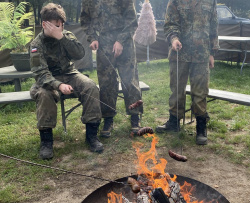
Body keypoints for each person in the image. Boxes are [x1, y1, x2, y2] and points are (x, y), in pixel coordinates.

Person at [30, 3, 103, 159]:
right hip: (48, 79)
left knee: (91, 87)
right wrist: (58, 85)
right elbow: (40, 73)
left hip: (70, 74)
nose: (59, 29)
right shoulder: (37, 44)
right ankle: (46, 142)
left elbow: (79, 54)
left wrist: (61, 37)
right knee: (44, 95)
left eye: (61, 25)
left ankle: (92, 136)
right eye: (55, 26)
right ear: (44, 24)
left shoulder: (66, 35)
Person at [156, 0, 219, 145]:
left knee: (200, 91)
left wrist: (212, 53)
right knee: (176, 89)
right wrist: (174, 39)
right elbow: (170, 23)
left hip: (201, 53)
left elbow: (213, 26)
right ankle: (174, 122)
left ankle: (201, 127)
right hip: (179, 52)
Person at [80, 0, 143, 138]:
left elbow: (131, 19)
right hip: (103, 43)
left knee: (129, 81)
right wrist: (92, 38)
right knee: (106, 82)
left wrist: (120, 40)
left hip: (124, 42)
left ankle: (135, 118)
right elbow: (85, 19)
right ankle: (108, 119)